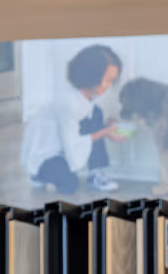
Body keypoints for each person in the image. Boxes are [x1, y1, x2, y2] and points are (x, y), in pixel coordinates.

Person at [22, 43, 124, 196]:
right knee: (69, 185)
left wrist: (106, 127)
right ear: (92, 76)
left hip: (65, 144)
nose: (109, 86)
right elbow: (72, 142)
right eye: (107, 80)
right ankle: (38, 174)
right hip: (47, 152)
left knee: (96, 112)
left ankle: (96, 172)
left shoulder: (87, 98)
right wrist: (105, 132)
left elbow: (85, 127)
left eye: (111, 81)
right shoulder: (68, 103)